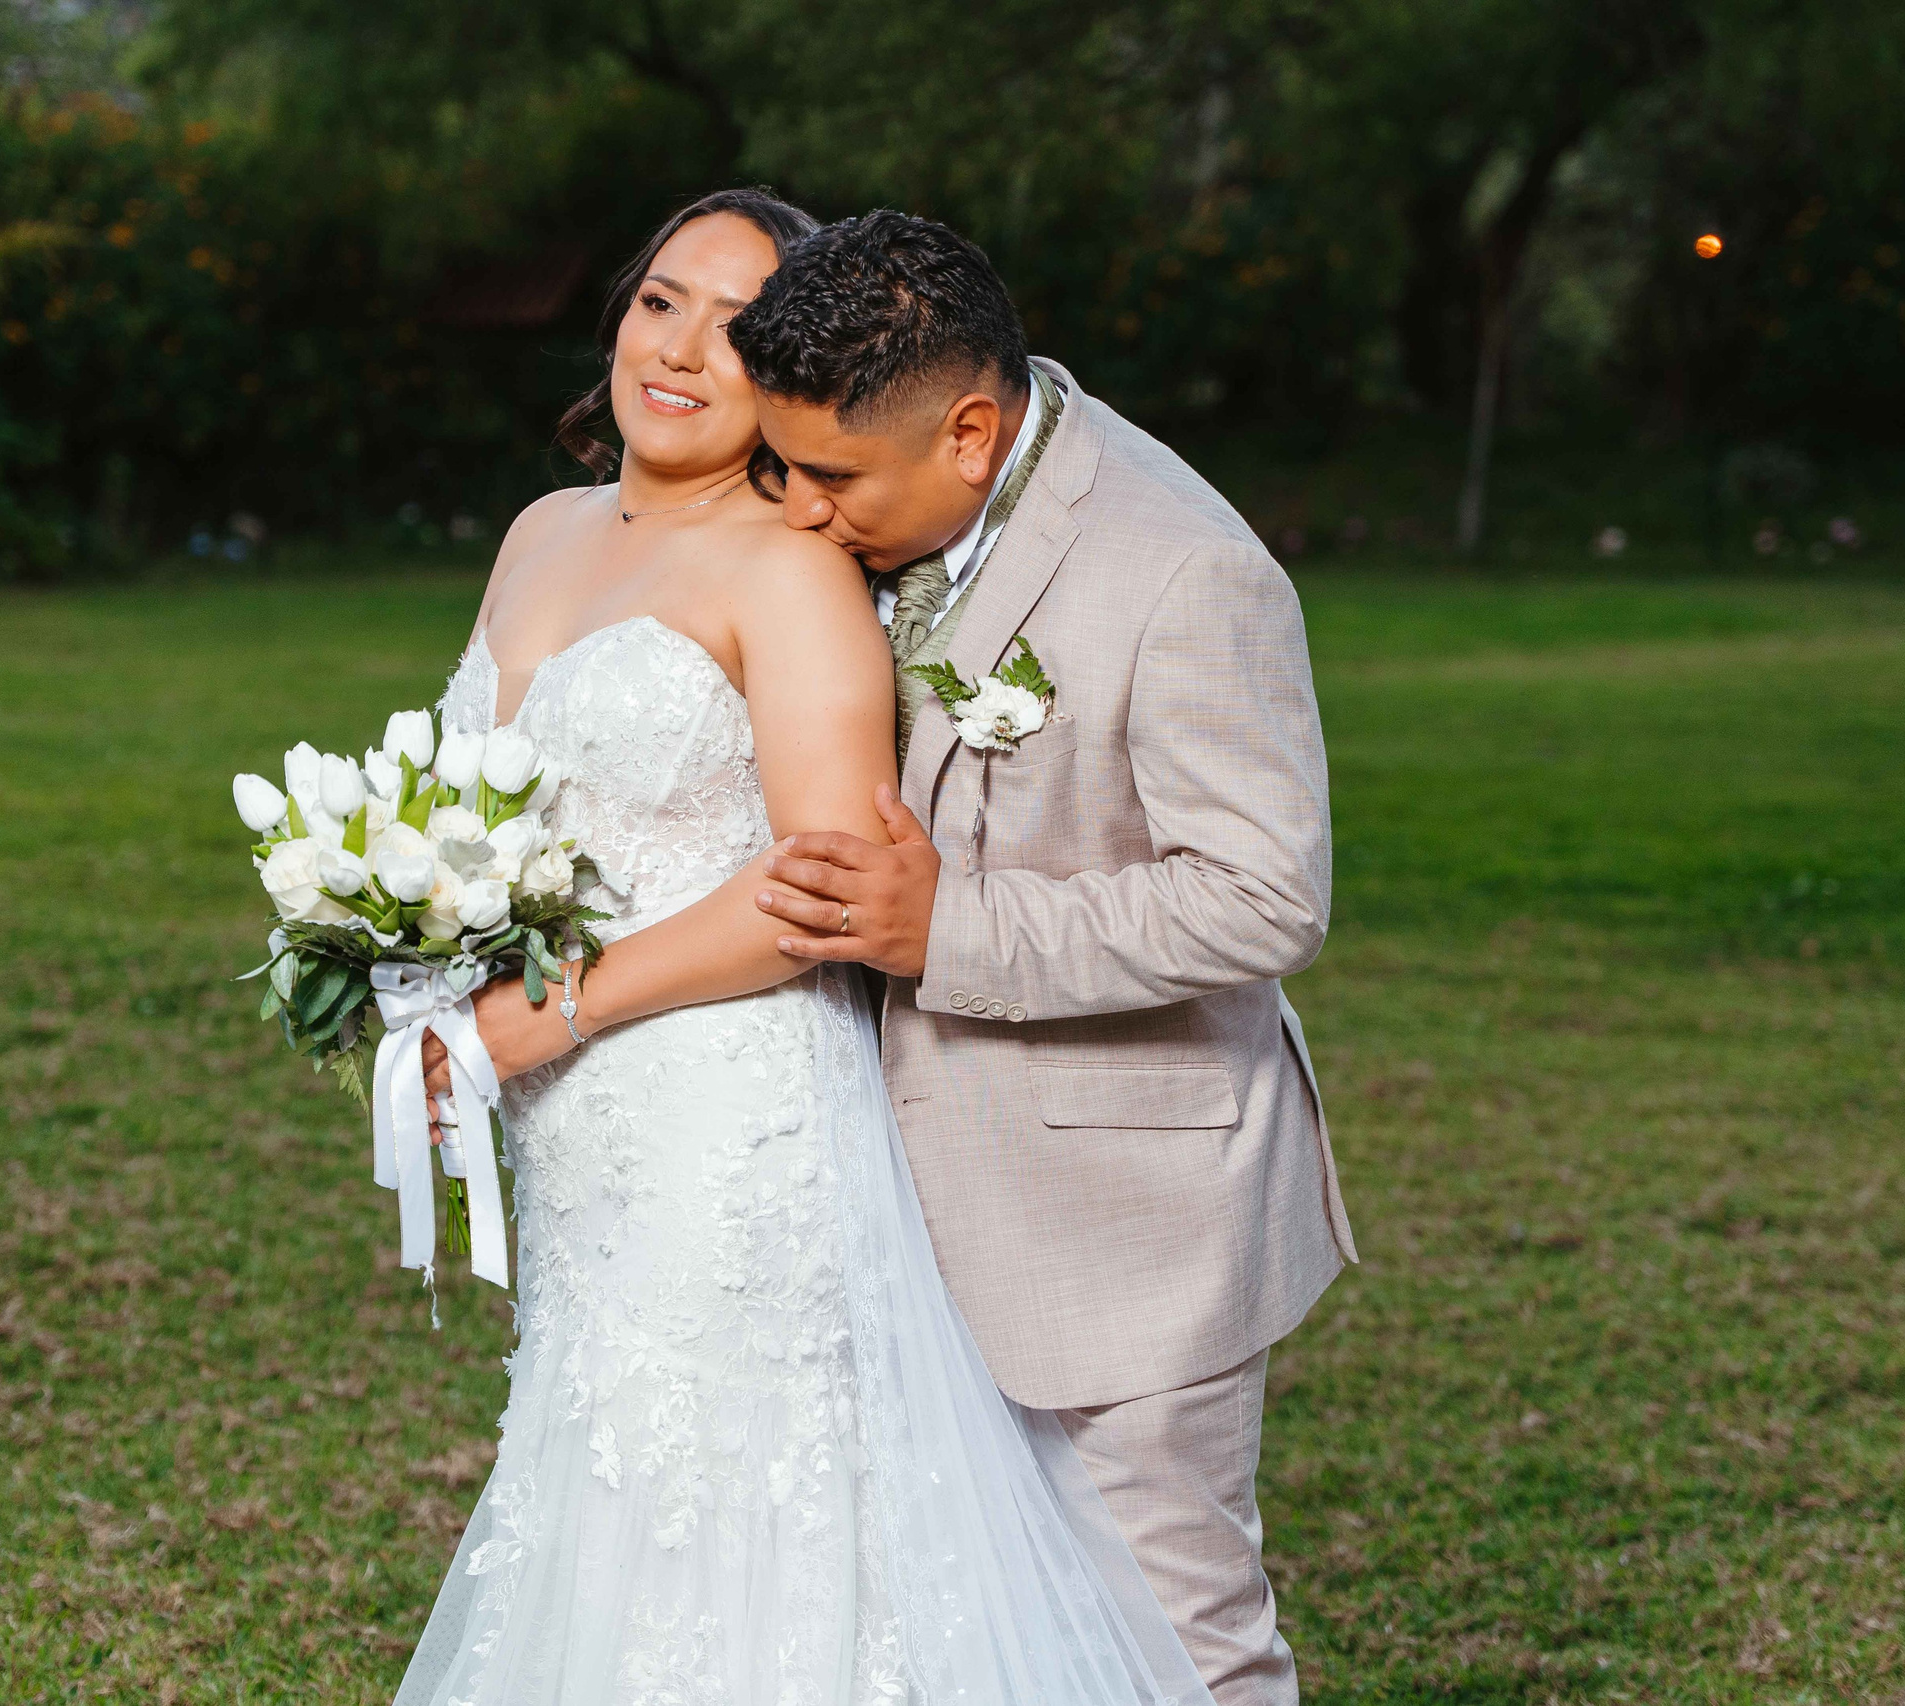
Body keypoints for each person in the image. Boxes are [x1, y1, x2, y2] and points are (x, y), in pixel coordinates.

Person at [396, 188, 1219, 1706]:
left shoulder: (789, 568)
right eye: (660, 301)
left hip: (726, 1108)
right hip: (573, 1123)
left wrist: (551, 1011)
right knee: (602, 1470)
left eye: (733, 328)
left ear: (788, 374)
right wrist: (425, 978)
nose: (679, 350)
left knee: (734, 1509)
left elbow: (817, 893)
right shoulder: (538, 533)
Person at [727, 210, 1356, 1702]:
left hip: (1125, 1217)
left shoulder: (1183, 571)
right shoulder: (906, 498)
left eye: (830, 478)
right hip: (906, 1188)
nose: (800, 513)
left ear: (968, 431)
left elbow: (1267, 896)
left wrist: (951, 929)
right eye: (783, 469)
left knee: (1173, 1640)